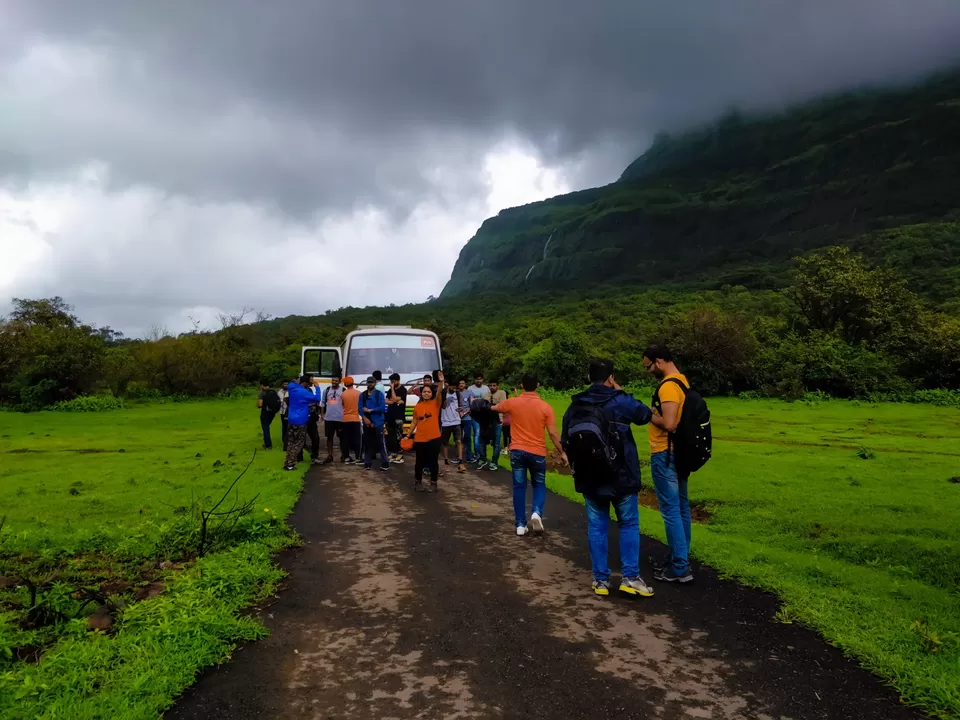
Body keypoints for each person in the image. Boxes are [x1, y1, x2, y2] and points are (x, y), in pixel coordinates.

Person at [562, 359, 656, 598]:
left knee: (597, 526)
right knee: (628, 523)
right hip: (621, 475)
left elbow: (566, 440)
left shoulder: (575, 405)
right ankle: (630, 577)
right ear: (610, 377)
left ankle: (600, 580)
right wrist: (619, 390)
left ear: (589, 377)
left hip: (589, 477)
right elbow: (645, 414)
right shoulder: (620, 401)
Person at [491, 374, 567, 536]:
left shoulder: (513, 402)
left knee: (519, 487)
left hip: (517, 451)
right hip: (537, 452)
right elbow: (553, 433)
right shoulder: (545, 407)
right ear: (538, 385)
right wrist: (562, 452)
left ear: (522, 385)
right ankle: (536, 513)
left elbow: (495, 408)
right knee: (539, 484)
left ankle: (520, 524)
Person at [644, 344, 695, 583]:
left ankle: (679, 567)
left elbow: (670, 423)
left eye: (650, 365)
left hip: (666, 453)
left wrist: (647, 414)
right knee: (682, 508)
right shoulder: (682, 381)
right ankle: (680, 556)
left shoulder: (668, 387)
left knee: (671, 511)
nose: (649, 370)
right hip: (679, 453)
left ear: (660, 361)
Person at [407, 373, 446, 492]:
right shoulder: (418, 407)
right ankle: (418, 482)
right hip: (420, 438)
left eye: (428, 392)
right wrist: (408, 435)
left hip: (434, 437)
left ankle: (433, 483)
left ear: (431, 393)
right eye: (424, 392)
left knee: (433, 461)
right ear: (421, 393)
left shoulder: (435, 403)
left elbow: (439, 392)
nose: (426, 393)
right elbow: (414, 422)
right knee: (419, 462)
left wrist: (441, 381)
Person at [283, 375, 323, 471]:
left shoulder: (292, 388)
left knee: (291, 442)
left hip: (291, 418)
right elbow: (317, 399)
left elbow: (291, 383)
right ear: (305, 383)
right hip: (300, 420)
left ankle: (288, 461)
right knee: (298, 443)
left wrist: (298, 380)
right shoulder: (304, 392)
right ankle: (290, 464)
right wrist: (317, 386)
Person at [360, 376, 390, 471]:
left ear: (374, 383)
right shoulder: (363, 395)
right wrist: (364, 418)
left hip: (378, 423)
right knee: (368, 443)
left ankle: (385, 463)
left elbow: (382, 407)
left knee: (381, 443)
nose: (370, 384)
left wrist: (370, 410)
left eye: (372, 382)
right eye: (369, 382)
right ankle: (367, 463)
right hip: (367, 423)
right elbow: (359, 408)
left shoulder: (379, 394)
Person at [480, 380, 507, 469]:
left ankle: (494, 462)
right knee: (482, 440)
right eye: (490, 385)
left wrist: (490, 406)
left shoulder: (501, 393)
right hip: (486, 421)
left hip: (498, 420)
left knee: (496, 442)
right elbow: (483, 407)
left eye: (494, 385)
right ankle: (483, 459)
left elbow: (502, 406)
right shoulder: (485, 395)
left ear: (497, 386)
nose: (492, 387)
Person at [440, 381, 467, 473]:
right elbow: (442, 407)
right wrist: (445, 401)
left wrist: (460, 410)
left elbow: (459, 406)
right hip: (446, 422)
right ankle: (446, 462)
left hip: (456, 421)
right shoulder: (443, 393)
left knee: (459, 441)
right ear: (448, 385)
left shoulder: (458, 393)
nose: (454, 389)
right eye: (452, 387)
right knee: (445, 443)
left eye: (455, 388)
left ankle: (460, 462)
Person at [319, 374, 345, 464]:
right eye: (333, 380)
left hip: (340, 418)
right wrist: (322, 414)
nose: (334, 382)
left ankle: (343, 455)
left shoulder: (343, 390)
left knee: (342, 437)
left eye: (336, 381)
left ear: (340, 381)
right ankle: (330, 455)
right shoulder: (326, 390)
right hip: (329, 418)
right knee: (329, 437)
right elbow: (322, 403)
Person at [385, 373, 407, 463]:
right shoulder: (390, 390)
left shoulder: (403, 390)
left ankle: (400, 454)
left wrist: (393, 392)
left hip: (399, 416)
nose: (392, 383)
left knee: (399, 435)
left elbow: (393, 399)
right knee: (391, 435)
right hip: (390, 416)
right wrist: (393, 401)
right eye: (391, 382)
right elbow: (386, 400)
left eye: (393, 382)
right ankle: (393, 453)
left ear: (398, 380)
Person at [340, 377, 363, 464]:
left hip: (345, 419)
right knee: (357, 439)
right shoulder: (359, 393)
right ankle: (358, 457)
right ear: (353, 383)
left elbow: (342, 405)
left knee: (346, 439)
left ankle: (346, 457)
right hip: (356, 418)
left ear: (346, 384)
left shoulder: (343, 394)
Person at [257, 380, 282, 450]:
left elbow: (260, 405)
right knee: (267, 427)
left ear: (262, 385)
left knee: (266, 429)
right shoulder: (274, 392)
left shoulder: (263, 393)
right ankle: (266, 443)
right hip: (272, 413)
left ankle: (268, 445)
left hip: (265, 413)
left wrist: (258, 404)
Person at [458, 378, 477, 462]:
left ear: (465, 384)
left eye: (463, 383)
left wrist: (465, 413)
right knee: (458, 438)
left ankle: (469, 456)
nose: (461, 385)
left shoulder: (469, 393)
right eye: (460, 383)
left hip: (467, 418)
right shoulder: (455, 393)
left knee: (468, 437)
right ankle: (459, 456)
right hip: (457, 419)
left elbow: (472, 405)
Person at [279, 380, 290, 451]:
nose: (286, 385)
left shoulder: (290, 392)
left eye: (287, 384)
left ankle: (288, 440)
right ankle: (284, 440)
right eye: (285, 384)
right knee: (284, 426)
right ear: (282, 385)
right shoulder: (279, 392)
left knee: (288, 426)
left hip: (289, 411)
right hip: (282, 411)